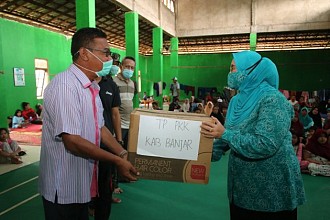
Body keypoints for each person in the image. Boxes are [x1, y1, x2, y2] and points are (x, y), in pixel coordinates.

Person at [38, 27, 138, 220]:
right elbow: (72, 141)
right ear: (84, 54)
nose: (111, 59)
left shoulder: (91, 86)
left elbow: (100, 127)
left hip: (80, 184)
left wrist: (122, 152)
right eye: (106, 53)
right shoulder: (65, 87)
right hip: (63, 188)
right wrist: (117, 161)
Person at [201, 51, 305, 220]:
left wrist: (225, 134)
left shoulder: (273, 99)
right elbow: (227, 135)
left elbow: (265, 144)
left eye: (234, 68)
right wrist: (202, 152)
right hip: (241, 188)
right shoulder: (236, 101)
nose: (230, 73)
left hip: (272, 189)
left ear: (249, 71)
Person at [89, 52, 124, 219]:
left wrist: (119, 141)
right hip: (85, 145)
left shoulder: (110, 85)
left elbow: (113, 115)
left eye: (113, 60)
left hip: (106, 142)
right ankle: (90, 205)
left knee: (104, 183)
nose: (110, 62)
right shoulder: (81, 84)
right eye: (106, 56)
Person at [113, 56, 136, 151]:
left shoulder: (132, 83)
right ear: (121, 67)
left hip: (130, 124)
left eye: (132, 68)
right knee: (118, 150)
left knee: (128, 150)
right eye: (127, 67)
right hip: (118, 126)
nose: (129, 69)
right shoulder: (114, 81)